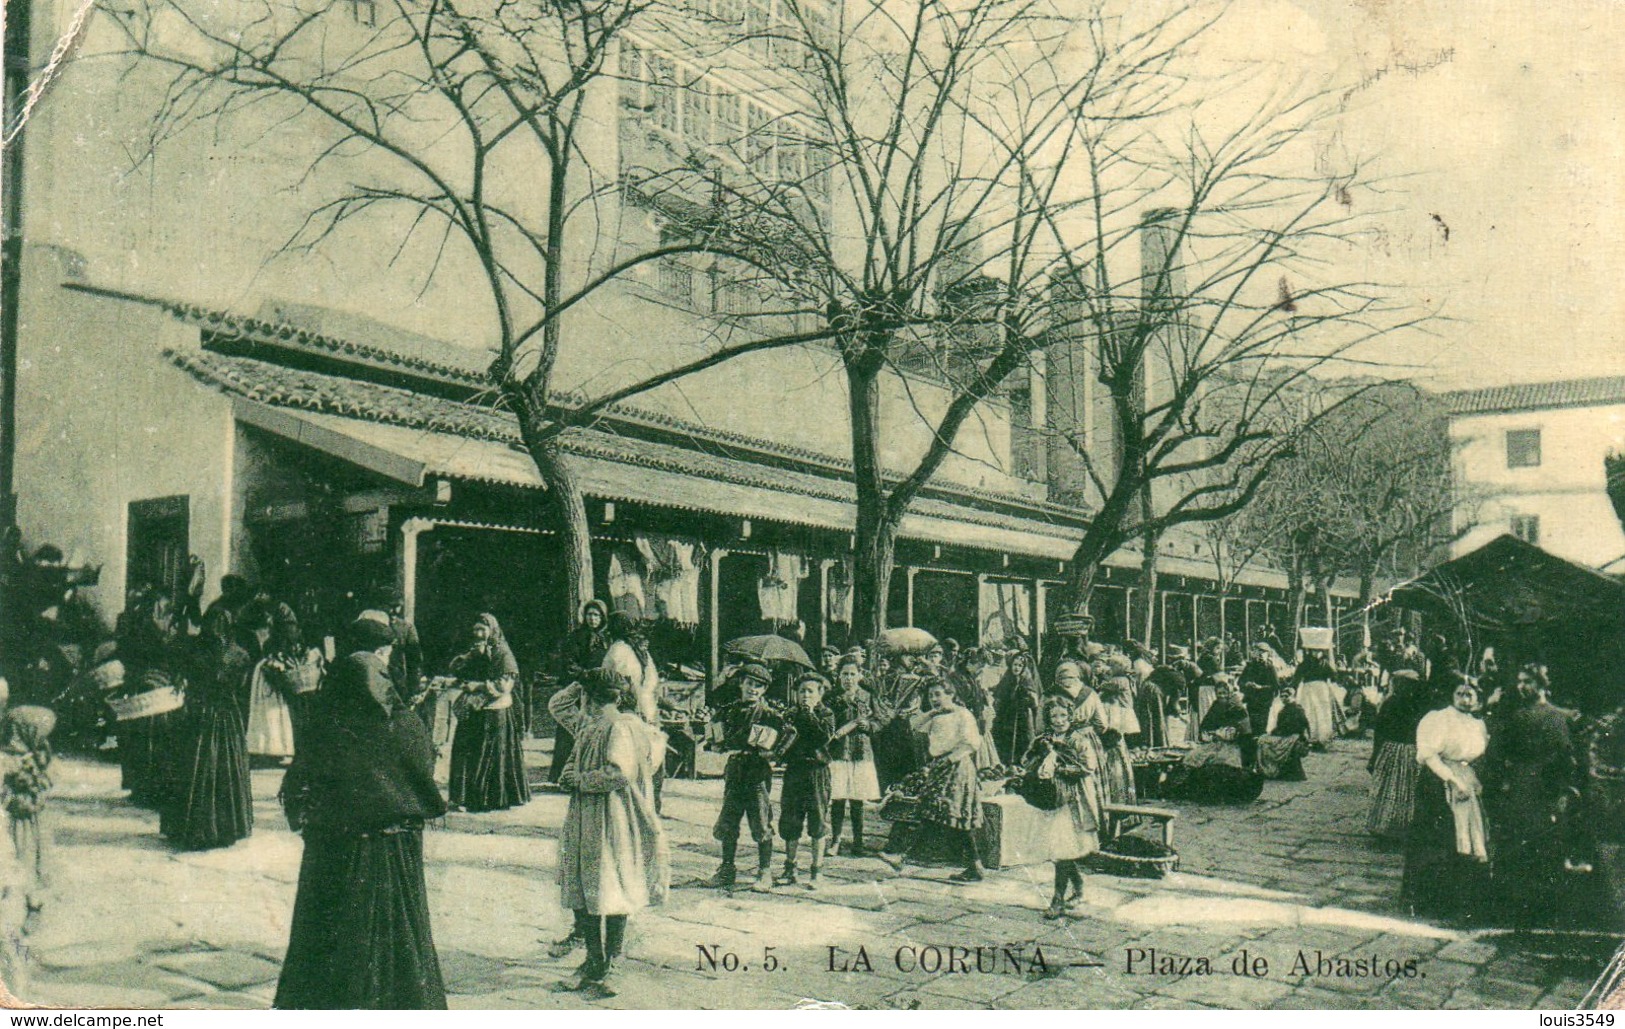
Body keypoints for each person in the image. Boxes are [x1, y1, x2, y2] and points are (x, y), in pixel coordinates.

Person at [274, 616, 448, 1010]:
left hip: (333, 846)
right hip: (388, 846)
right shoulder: (396, 718)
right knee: (391, 934)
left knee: (331, 926)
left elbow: (304, 776)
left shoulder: (324, 710)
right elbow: (421, 760)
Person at [554, 669, 670, 998]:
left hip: (612, 816)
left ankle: (611, 961)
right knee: (583, 882)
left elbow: (618, 773)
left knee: (611, 882)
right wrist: (568, 774)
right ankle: (593, 959)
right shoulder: (590, 725)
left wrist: (579, 781)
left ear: (591, 698)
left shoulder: (620, 726)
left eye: (586, 696)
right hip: (585, 816)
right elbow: (575, 757)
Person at [1483, 663, 1575, 926]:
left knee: (1544, 844)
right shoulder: (1517, 715)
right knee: (1515, 843)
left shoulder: (1558, 716)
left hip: (1546, 787)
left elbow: (1567, 756)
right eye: (1520, 682)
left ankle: (1542, 909)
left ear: (1542, 684)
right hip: (1520, 785)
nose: (1523, 686)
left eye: (1528, 682)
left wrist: (1563, 790)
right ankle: (1514, 907)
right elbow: (1497, 752)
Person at [162, 608, 254, 851]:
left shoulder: (193, 650)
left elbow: (181, 675)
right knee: (223, 768)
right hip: (225, 715)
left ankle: (190, 826)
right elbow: (240, 685)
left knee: (194, 767)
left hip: (198, 712)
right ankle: (224, 827)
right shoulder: (239, 654)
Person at [879, 680, 987, 882]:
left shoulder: (963, 714)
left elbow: (972, 743)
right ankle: (975, 865)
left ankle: (903, 857)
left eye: (938, 694)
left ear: (951, 694)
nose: (935, 699)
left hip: (957, 767)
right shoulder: (936, 717)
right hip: (940, 766)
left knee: (942, 812)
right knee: (942, 813)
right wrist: (932, 712)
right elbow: (912, 725)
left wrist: (948, 760)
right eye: (931, 696)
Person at [1403, 679, 1491, 923]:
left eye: (1470, 695)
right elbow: (1429, 755)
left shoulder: (1478, 724)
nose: (1465, 699)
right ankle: (1426, 900)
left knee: (1466, 838)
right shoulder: (1438, 718)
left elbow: (1475, 756)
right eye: (1460, 693)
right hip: (1437, 781)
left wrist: (1472, 780)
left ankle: (1457, 901)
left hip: (1466, 781)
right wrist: (1451, 779)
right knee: (1439, 839)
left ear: (1477, 698)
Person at [705, 662, 781, 890]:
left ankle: (765, 872)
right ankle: (727, 868)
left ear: (765, 690)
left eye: (759, 686)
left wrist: (771, 750)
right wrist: (715, 742)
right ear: (741, 684)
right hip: (736, 770)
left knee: (760, 821)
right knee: (729, 820)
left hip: (757, 772)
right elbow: (715, 738)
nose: (753, 689)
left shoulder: (770, 715)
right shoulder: (729, 711)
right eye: (750, 684)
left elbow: (778, 744)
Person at [1024, 697, 1100, 919]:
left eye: (1063, 716)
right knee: (1060, 849)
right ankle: (1078, 886)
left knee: (1063, 848)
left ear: (1070, 716)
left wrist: (1060, 767)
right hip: (1049, 798)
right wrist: (1036, 757)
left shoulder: (1079, 740)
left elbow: (1088, 767)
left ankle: (1057, 900)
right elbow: (1026, 759)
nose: (1058, 721)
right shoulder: (1043, 738)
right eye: (1053, 716)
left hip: (1072, 800)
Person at [445, 613, 530, 813]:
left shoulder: (502, 653)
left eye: (482, 630)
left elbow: (504, 685)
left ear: (492, 630)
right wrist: (470, 657)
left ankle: (489, 798)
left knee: (488, 754)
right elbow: (456, 669)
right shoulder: (476, 650)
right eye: (475, 630)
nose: (478, 634)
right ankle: (465, 797)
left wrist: (477, 687)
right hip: (475, 709)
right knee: (467, 751)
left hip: (495, 710)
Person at [775, 672, 835, 888]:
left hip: (817, 773)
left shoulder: (826, 714)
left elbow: (823, 737)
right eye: (802, 691)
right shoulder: (791, 714)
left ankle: (816, 871)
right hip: (795, 772)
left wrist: (809, 716)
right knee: (790, 820)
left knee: (817, 821)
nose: (805, 695)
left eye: (810, 691)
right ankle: (790, 869)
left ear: (820, 694)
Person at [825, 656, 880, 857]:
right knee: (838, 798)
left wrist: (870, 726)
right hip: (839, 752)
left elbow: (880, 719)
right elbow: (826, 722)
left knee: (857, 799)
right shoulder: (831, 698)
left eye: (852, 674)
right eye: (844, 674)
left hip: (860, 751)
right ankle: (836, 840)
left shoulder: (867, 696)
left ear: (860, 675)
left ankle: (858, 841)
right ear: (838, 676)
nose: (848, 678)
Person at [553, 600, 611, 784]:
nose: (592, 619)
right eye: (589, 615)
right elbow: (569, 664)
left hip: (599, 690)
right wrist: (585, 675)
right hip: (580, 687)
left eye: (596, 615)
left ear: (602, 617)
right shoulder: (576, 637)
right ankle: (565, 774)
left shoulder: (608, 639)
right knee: (573, 729)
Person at [1367, 670, 1427, 840]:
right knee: (1406, 790)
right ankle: (1403, 825)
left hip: (1393, 750)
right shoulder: (1420, 704)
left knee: (1390, 788)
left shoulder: (1390, 703)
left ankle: (1386, 824)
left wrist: (1376, 755)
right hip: (1410, 751)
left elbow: (1380, 732)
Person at [242, 603, 297, 764]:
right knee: (268, 711)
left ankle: (272, 747)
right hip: (266, 673)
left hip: (269, 673)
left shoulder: (277, 640)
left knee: (274, 711)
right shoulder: (271, 639)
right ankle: (265, 747)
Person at [991, 649, 1042, 768]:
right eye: (1015, 665)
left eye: (1020, 665)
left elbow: (1034, 700)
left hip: (1022, 715)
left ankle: (1022, 762)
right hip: (1007, 714)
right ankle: (1007, 761)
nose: (1017, 668)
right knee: (1006, 737)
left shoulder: (1027, 680)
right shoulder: (1006, 678)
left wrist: (1026, 699)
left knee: (1022, 737)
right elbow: (999, 695)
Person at [1291, 644, 1345, 747]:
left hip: (1322, 689)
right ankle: (1311, 737)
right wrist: (1294, 687)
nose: (1316, 653)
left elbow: (1333, 677)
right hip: (1309, 689)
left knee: (1322, 712)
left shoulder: (1324, 663)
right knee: (1309, 711)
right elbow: (1297, 677)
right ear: (1310, 651)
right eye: (1314, 651)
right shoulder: (1305, 663)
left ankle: (1323, 738)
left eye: (1318, 651)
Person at [1255, 683, 1310, 781]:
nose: (1284, 698)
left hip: (1293, 737)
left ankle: (1268, 770)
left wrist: (1274, 733)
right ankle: (1268, 769)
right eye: (1282, 696)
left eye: (1287, 696)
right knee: (1262, 739)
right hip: (1287, 735)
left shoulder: (1296, 709)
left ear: (1292, 696)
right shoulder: (1285, 709)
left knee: (1263, 741)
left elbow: (1294, 727)